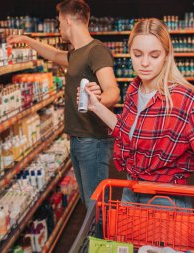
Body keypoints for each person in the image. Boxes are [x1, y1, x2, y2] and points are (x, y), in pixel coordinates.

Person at [79, 18, 194, 252]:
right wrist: (95, 106)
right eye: (137, 54)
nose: (144, 63)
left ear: (167, 55)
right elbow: (128, 134)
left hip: (167, 202)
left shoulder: (185, 101)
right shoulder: (135, 91)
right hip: (130, 195)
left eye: (154, 55)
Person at [7, 0, 120, 207]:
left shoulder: (96, 50)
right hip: (79, 139)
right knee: (90, 203)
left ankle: (101, 239)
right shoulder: (77, 54)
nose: (59, 27)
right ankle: (95, 238)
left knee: (97, 205)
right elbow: (53, 54)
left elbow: (113, 92)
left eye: (59, 22)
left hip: (92, 140)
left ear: (68, 20)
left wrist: (98, 100)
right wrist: (27, 40)